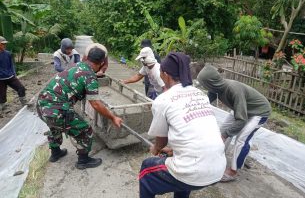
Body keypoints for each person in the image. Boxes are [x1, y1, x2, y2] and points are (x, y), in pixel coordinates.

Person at [139, 52, 226, 198]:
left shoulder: (163, 100)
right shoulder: (201, 95)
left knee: (146, 170)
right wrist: (173, 150)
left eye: (160, 72)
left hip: (192, 171)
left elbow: (161, 142)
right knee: (182, 171)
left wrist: (156, 148)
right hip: (218, 168)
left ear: (165, 74)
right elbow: (194, 133)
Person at [36, 44, 122, 169]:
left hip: (41, 105)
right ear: (102, 63)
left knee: (54, 126)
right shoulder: (90, 76)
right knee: (85, 129)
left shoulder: (77, 66)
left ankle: (55, 153)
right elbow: (96, 104)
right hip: (57, 109)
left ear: (86, 57)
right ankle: (83, 160)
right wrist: (113, 117)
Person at [197, 64, 271, 182]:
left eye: (203, 84)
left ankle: (233, 172)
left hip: (259, 112)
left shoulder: (233, 89)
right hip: (241, 109)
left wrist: (226, 134)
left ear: (210, 82)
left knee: (241, 140)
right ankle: (217, 159)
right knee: (221, 132)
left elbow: (242, 119)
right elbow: (205, 104)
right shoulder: (215, 88)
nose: (203, 86)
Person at [0, 36, 27, 112]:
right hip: (1, 79)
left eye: (5, 44)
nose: (4, 45)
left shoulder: (8, 54)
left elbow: (11, 65)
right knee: (2, 95)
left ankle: (24, 102)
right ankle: (3, 107)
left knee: (21, 88)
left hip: (10, 76)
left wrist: (14, 73)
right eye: (2, 44)